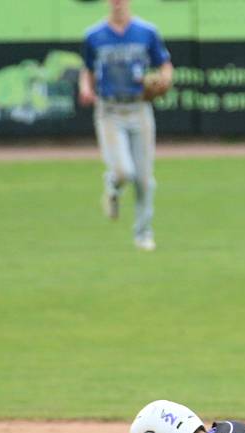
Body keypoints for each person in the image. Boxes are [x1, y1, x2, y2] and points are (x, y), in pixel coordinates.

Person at [79, 0, 173, 251]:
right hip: (109, 110)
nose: (118, 2)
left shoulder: (146, 32)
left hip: (139, 108)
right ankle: (113, 187)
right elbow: (87, 70)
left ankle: (143, 233)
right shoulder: (94, 35)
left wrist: (164, 80)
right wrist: (86, 89)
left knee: (144, 179)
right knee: (123, 172)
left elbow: (164, 64)